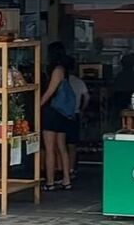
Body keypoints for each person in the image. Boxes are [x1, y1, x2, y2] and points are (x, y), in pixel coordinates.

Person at [41, 42, 76, 191]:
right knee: (62, 147)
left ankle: (50, 181)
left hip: (52, 111)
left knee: (49, 148)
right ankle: (66, 180)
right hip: (63, 113)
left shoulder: (56, 71)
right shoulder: (65, 70)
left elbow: (50, 92)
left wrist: (39, 105)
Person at [66, 68, 90, 179]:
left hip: (60, 114)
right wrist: (82, 109)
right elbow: (87, 97)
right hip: (74, 114)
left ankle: (61, 169)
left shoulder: (61, 80)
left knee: (59, 144)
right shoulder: (79, 81)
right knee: (72, 144)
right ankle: (71, 169)